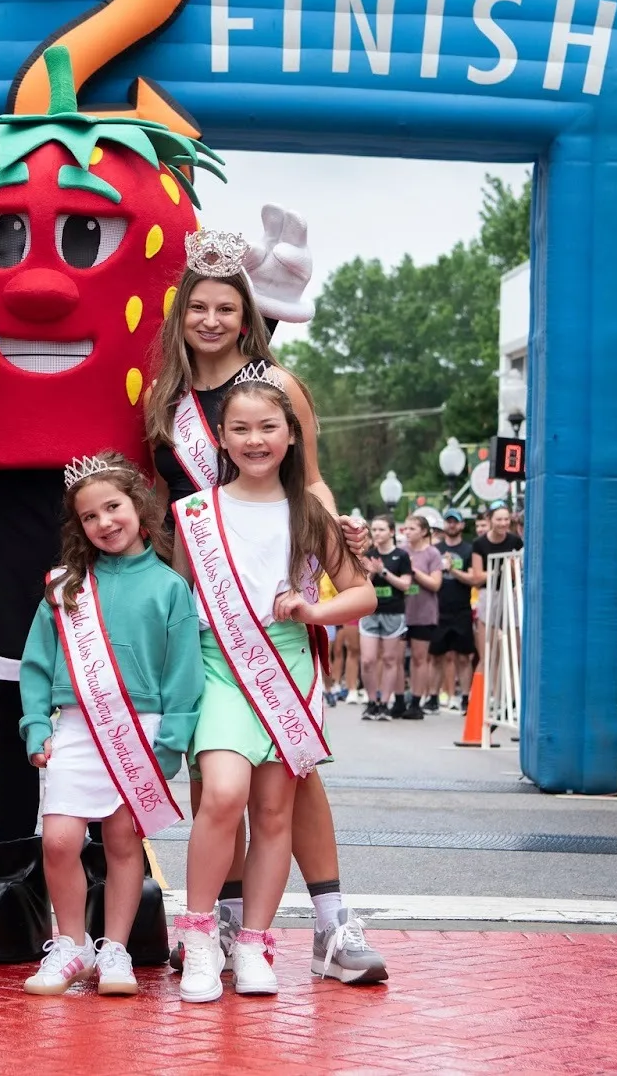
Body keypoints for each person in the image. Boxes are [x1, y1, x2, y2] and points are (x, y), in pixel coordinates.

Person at [145, 232, 384, 989]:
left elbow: (309, 483)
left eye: (226, 308)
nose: (211, 321)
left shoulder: (278, 383)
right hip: (203, 595)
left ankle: (329, 924)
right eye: (198, 308)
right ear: (181, 316)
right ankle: (215, 922)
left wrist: (334, 544)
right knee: (218, 779)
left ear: (247, 315)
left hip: (275, 606)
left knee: (293, 771)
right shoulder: (165, 400)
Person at [170, 366, 373, 1002]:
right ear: (221, 441)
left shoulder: (310, 512)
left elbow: (362, 592)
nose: (256, 439)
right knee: (223, 795)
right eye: (241, 429)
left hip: (287, 664)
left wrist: (314, 611)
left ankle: (255, 942)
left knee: (275, 810)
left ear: (292, 436)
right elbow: (178, 600)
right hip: (216, 663)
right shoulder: (194, 513)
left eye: (269, 427)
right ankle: (202, 936)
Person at [19, 453, 203, 997]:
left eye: (113, 507)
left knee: (125, 841)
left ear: (139, 508)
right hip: (76, 727)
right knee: (57, 841)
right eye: (90, 516)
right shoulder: (65, 588)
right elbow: (34, 663)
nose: (104, 522)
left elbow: (183, 670)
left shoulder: (171, 587)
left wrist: (171, 741)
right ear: (79, 528)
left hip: (139, 731)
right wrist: (34, 723)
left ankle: (116, 949)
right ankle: (72, 946)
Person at [360, 515, 413, 720]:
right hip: (371, 613)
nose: (377, 533)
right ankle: (372, 701)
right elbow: (361, 584)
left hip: (394, 612)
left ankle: (385, 704)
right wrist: (371, 573)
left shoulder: (401, 556)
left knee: (391, 659)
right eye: (374, 530)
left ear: (392, 532)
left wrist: (383, 572)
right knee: (368, 660)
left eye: (381, 529)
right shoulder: (368, 555)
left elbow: (406, 585)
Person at [434, 507, 479, 708]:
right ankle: (445, 695)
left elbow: (473, 579)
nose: (451, 525)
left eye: (455, 521)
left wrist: (452, 570)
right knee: (442, 655)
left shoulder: (469, 550)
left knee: (463, 656)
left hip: (461, 607)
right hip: (439, 607)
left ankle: (465, 696)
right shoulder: (436, 549)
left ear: (461, 525)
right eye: (448, 521)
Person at [402, 510, 445, 716]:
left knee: (420, 658)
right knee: (396, 658)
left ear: (424, 532)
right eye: (406, 528)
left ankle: (418, 701)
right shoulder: (400, 550)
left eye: (412, 528)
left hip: (423, 613)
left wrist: (414, 571)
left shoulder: (432, 554)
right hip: (401, 612)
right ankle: (398, 698)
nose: (407, 532)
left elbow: (435, 584)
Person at [471, 502, 523, 666]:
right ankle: (489, 689)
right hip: (489, 593)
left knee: (514, 649)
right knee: (488, 650)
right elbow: (477, 577)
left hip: (510, 593)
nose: (503, 523)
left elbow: (518, 573)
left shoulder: (515, 541)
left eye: (506, 519)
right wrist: (498, 570)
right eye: (499, 519)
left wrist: (513, 569)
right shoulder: (479, 543)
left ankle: (515, 689)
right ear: (490, 519)